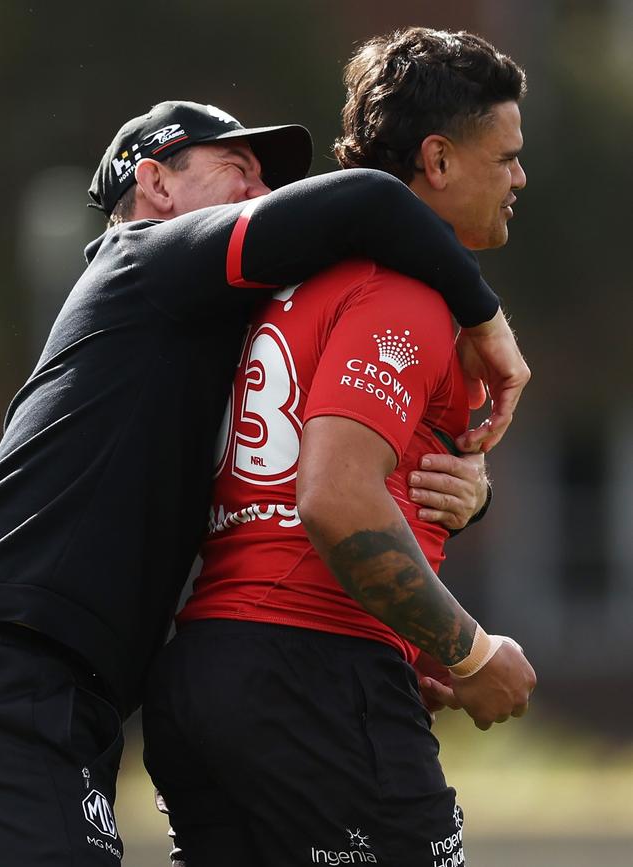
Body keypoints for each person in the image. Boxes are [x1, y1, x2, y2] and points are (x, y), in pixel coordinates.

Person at [0, 96, 526, 865]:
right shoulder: (145, 258)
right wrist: (486, 318)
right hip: (13, 668)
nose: (264, 195)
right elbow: (371, 201)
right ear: (156, 185)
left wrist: (471, 498)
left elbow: (295, 460)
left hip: (87, 691)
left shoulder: (203, 326)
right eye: (238, 171)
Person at [142, 28, 537, 867]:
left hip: (207, 673)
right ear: (437, 160)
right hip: (311, 674)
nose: (519, 179)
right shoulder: (402, 292)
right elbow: (336, 498)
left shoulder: (297, 280)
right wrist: (471, 651)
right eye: (505, 157)